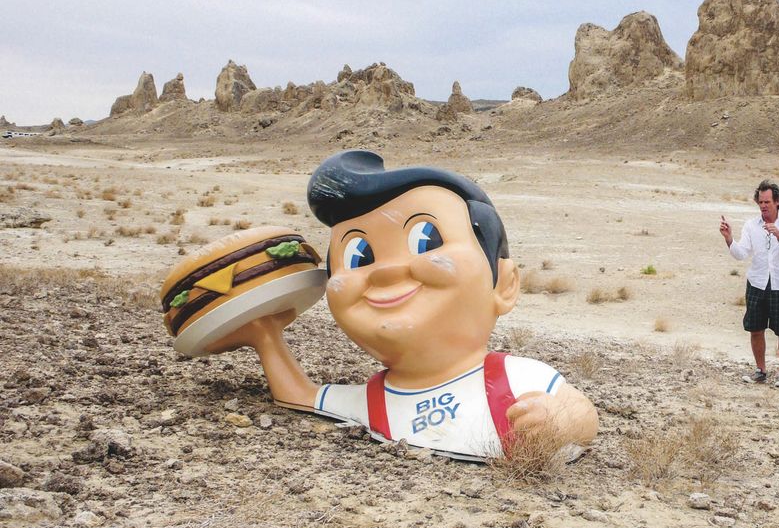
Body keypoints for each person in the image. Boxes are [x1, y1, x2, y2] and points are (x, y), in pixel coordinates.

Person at [209, 149, 598, 460]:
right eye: (360, 256)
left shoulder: (515, 379)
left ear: (506, 285)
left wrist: (558, 420)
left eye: (425, 240)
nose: (386, 271)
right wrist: (265, 336)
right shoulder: (375, 400)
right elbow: (301, 396)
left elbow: (583, 415)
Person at [718, 180, 779, 389]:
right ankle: (761, 371)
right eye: (760, 202)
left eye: (767, 202)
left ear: (777, 202)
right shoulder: (751, 225)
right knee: (755, 329)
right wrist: (729, 238)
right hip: (757, 282)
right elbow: (741, 254)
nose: (763, 206)